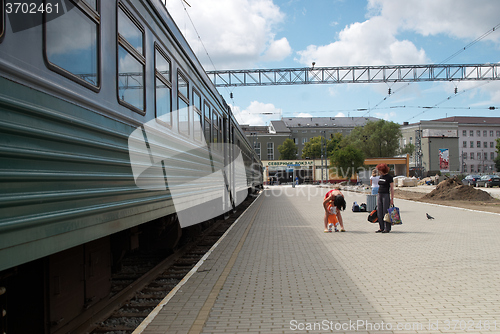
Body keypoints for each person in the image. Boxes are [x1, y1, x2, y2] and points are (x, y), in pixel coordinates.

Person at [375, 163, 394, 233]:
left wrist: (392, 199)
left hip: (386, 195)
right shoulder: (381, 176)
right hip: (380, 194)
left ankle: (387, 228)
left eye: (380, 170)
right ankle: (381, 227)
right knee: (379, 211)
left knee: (385, 212)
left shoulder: (389, 177)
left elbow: (392, 188)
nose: (379, 171)